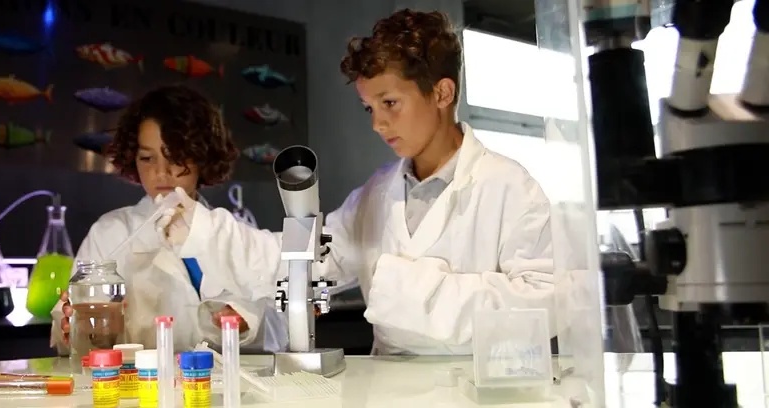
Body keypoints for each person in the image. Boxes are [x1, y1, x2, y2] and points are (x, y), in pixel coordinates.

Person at [159, 9, 557, 355]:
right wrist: (206, 231)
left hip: (475, 392)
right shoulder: (376, 194)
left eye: (390, 103)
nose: (377, 123)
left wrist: (407, 290)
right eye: (369, 108)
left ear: (442, 92)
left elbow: (544, 305)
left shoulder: (509, 187)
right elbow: (304, 262)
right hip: (387, 387)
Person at [50, 84, 286, 354]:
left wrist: (246, 323)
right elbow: (70, 334)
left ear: (202, 156)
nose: (160, 172)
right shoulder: (110, 233)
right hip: (139, 379)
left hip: (221, 379)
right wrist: (78, 328)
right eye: (147, 158)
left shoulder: (233, 235)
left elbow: (278, 327)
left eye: (175, 157)